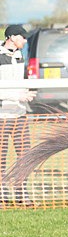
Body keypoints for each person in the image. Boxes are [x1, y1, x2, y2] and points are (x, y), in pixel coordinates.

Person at [0, 25, 36, 207]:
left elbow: (23, 82)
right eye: (22, 37)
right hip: (2, 116)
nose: (25, 40)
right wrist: (17, 96)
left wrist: (28, 91)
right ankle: (2, 193)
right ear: (12, 37)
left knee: (25, 156)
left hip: (20, 115)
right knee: (1, 158)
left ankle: (22, 192)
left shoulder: (21, 56)